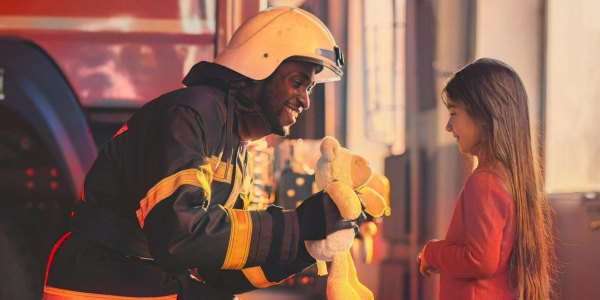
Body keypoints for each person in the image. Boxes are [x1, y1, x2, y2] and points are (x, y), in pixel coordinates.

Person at [43, 7, 353, 300]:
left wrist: (303, 245)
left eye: (309, 89)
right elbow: (179, 238)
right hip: (103, 279)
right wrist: (297, 224)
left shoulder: (232, 140)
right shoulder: (190, 115)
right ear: (262, 65)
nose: (305, 101)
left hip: (139, 276)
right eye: (297, 83)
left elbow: (219, 270)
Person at [418, 58, 557, 300]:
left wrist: (432, 251)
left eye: (453, 113)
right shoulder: (510, 178)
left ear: (483, 115)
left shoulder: (485, 181)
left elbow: (479, 260)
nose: (448, 127)